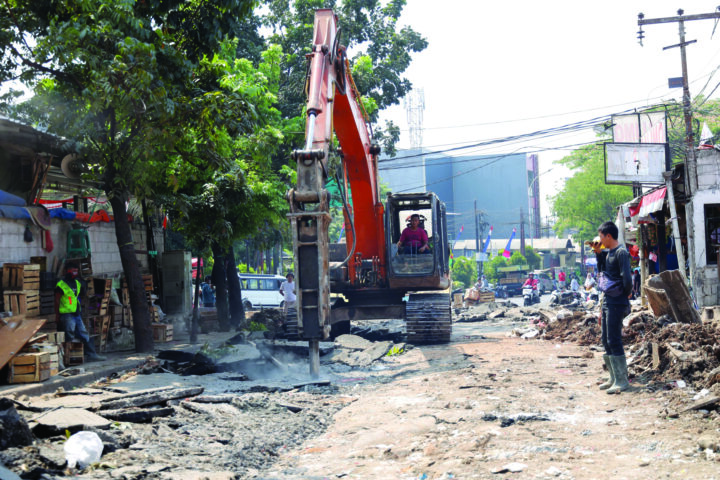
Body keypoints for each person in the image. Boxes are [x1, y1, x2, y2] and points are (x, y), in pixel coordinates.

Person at [593, 221, 633, 394]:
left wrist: (625, 294)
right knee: (605, 339)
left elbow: (627, 279)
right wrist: (598, 254)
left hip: (617, 302)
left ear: (608, 236)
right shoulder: (608, 253)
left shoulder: (621, 253)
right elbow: (603, 274)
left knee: (614, 339)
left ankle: (622, 380)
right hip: (608, 301)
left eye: (601, 237)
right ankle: (613, 377)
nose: (600, 240)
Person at [55, 263, 106, 362]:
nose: (74, 272)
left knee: (83, 333)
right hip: (66, 314)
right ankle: (68, 358)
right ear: (67, 271)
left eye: (76, 270)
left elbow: (78, 297)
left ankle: (92, 354)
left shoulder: (77, 283)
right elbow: (56, 300)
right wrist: (57, 315)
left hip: (76, 314)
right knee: (69, 334)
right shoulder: (61, 284)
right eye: (72, 270)